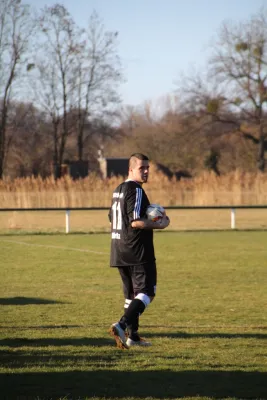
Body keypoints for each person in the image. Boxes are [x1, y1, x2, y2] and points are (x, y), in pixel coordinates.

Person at [108, 153, 170, 349]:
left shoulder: (118, 189)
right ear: (131, 169)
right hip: (137, 251)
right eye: (141, 168)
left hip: (119, 249)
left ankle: (132, 337)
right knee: (146, 293)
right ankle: (121, 324)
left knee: (131, 296)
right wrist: (160, 223)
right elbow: (135, 221)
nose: (145, 171)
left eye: (147, 168)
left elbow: (112, 217)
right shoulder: (135, 190)